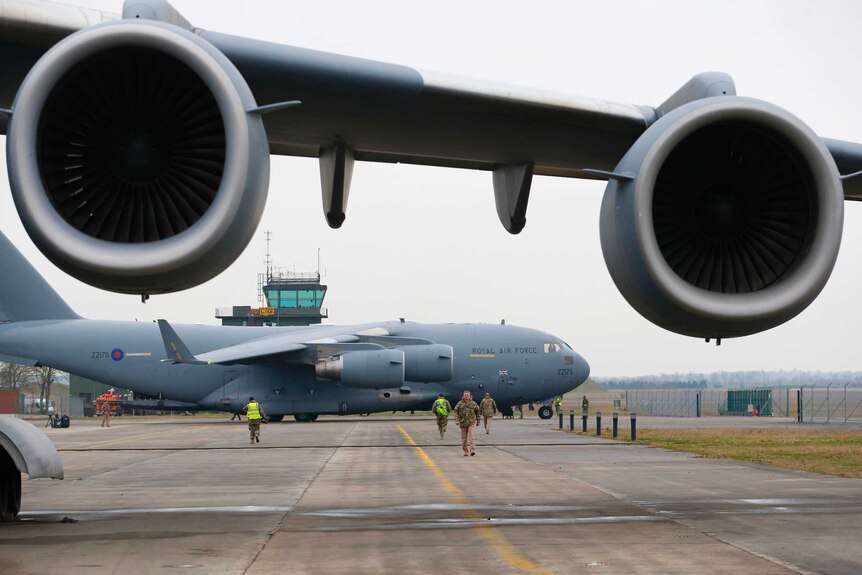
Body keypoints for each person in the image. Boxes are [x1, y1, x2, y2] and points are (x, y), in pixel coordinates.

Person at [453, 390, 480, 456]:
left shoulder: (473, 403)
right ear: (463, 396)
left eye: (467, 395)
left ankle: (472, 450)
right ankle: (465, 451)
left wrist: (478, 420)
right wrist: (456, 420)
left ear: (470, 396)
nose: (466, 396)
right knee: (464, 438)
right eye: (465, 395)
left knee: (471, 437)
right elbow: (455, 411)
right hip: (463, 423)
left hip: (471, 422)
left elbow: (478, 412)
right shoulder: (459, 403)